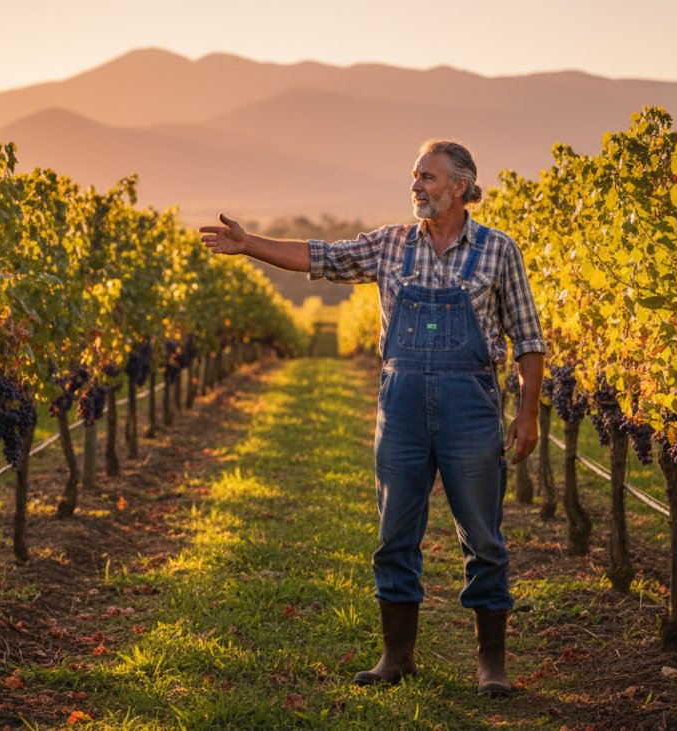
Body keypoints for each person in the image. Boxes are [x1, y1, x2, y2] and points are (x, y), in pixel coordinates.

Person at [199, 139, 545, 696]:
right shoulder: (390, 245)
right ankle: (396, 657)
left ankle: (491, 665)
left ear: (460, 187)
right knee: (394, 535)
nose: (416, 186)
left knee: (483, 537)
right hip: (402, 405)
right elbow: (319, 256)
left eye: (428, 177)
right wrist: (250, 245)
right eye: (414, 176)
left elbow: (528, 338)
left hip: (470, 406)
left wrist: (527, 416)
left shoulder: (498, 250)